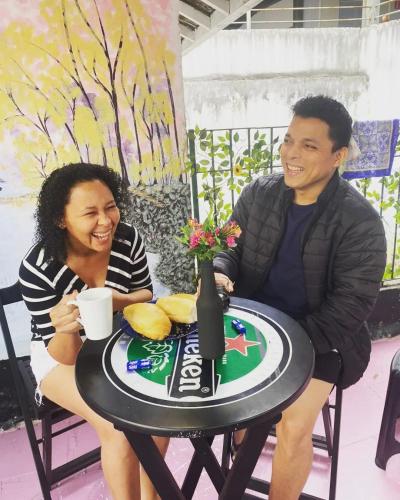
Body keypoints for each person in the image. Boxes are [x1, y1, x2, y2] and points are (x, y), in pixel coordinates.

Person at [213, 95, 387, 500]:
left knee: (293, 422)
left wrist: (281, 347)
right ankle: (241, 453)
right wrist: (220, 271)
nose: (291, 154)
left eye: (308, 146)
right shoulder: (260, 193)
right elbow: (228, 245)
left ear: (337, 155)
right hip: (252, 324)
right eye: (289, 140)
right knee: (225, 403)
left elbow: (349, 309)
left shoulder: (360, 222)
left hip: (321, 341)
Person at [19, 163, 168, 500]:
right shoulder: (39, 267)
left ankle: (153, 496)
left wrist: (119, 300)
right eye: (90, 213)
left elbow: (146, 294)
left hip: (118, 338)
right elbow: (63, 353)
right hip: (59, 354)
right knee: (118, 428)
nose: (106, 222)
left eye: (110, 207)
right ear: (61, 219)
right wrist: (66, 329)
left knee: (158, 413)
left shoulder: (126, 238)